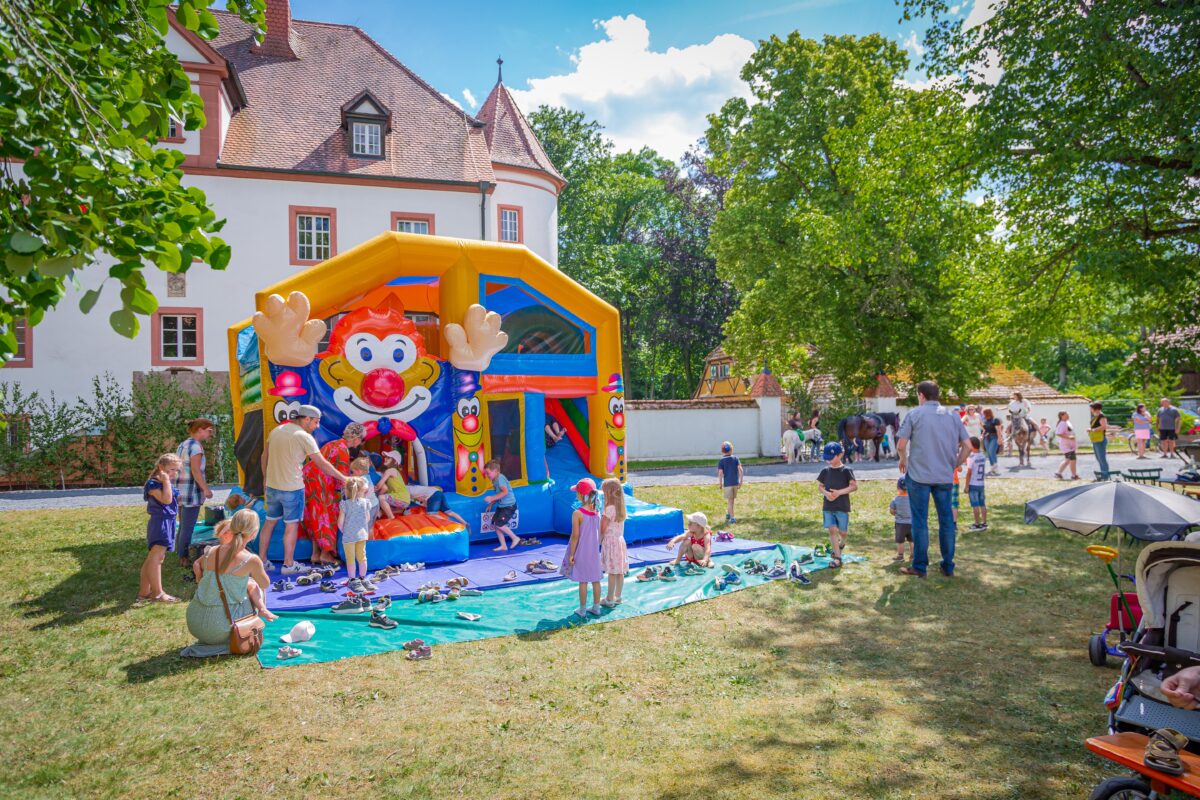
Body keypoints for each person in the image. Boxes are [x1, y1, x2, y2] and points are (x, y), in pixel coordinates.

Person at [258, 405, 349, 575]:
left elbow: (264, 456)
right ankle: (289, 564)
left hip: (272, 486)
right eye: (315, 422)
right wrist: (344, 478)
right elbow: (322, 464)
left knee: (269, 523)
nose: (317, 426)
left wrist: (265, 478)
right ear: (306, 419)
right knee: (291, 526)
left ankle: (261, 560)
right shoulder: (304, 437)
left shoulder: (277, 430)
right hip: (292, 488)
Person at [896, 380, 971, 579]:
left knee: (920, 521)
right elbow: (968, 446)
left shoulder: (914, 414)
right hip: (944, 476)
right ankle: (948, 565)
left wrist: (903, 460)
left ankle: (920, 566)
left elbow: (901, 445)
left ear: (921, 395)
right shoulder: (953, 416)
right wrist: (955, 464)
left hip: (919, 475)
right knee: (946, 520)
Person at [181, 509, 274, 658]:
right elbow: (265, 583)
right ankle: (259, 614)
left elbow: (199, 567)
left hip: (195, 622)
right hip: (222, 628)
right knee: (255, 586)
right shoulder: (251, 560)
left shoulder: (211, 551)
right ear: (253, 534)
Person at [301, 422, 364, 565]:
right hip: (321, 484)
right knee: (328, 515)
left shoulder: (333, 443)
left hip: (308, 481)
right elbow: (342, 479)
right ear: (357, 438)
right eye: (362, 439)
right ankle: (326, 554)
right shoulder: (343, 450)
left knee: (314, 515)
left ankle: (315, 554)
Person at [139, 453, 182, 604]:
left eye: (177, 470)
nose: (174, 474)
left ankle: (144, 592)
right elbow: (167, 499)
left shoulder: (165, 483)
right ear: (161, 468)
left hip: (168, 522)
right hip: (160, 523)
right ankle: (157, 593)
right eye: (171, 470)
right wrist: (166, 481)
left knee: (154, 557)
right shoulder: (154, 484)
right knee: (157, 559)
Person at [175, 418, 215, 568]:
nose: (210, 434)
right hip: (192, 493)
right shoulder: (196, 448)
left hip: (180, 491)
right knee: (188, 527)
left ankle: (180, 553)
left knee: (183, 525)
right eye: (209, 431)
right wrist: (206, 489)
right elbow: (196, 471)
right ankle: (184, 557)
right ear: (200, 430)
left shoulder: (183, 445)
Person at [563, 478, 603, 618]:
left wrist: (572, 554)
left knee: (583, 581)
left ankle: (582, 609)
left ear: (580, 494)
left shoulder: (577, 513)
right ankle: (597, 607)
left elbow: (575, 536)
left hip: (581, 552)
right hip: (594, 553)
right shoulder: (597, 512)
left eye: (577, 492)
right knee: (596, 580)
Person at [817, 442, 856, 568]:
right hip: (828, 506)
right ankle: (838, 558)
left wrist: (839, 492)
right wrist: (825, 493)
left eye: (831, 458)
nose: (828, 461)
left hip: (842, 506)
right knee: (832, 530)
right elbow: (820, 486)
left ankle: (842, 542)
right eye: (826, 458)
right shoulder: (825, 471)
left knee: (842, 532)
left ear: (840, 455)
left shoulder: (846, 471)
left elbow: (854, 486)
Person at [339, 476, 375, 594]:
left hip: (349, 536)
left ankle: (353, 580)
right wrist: (361, 528)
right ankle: (363, 578)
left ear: (347, 490)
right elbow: (367, 519)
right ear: (361, 491)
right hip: (362, 535)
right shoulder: (365, 503)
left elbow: (340, 522)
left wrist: (345, 531)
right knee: (362, 557)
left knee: (350, 559)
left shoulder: (345, 504)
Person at [599, 478, 628, 607]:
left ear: (609, 493)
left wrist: (598, 539)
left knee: (612, 571)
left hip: (611, 542)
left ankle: (609, 599)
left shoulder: (609, 509)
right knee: (619, 571)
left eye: (605, 492)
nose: (604, 495)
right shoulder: (620, 507)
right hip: (619, 541)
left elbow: (603, 527)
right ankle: (618, 596)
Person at [483, 459, 520, 551]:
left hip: (509, 506)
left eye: (488, 473)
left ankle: (515, 538)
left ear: (495, 471)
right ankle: (503, 545)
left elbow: (505, 492)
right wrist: (491, 504)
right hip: (502, 505)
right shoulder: (495, 480)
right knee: (496, 524)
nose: (487, 476)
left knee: (500, 524)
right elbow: (498, 494)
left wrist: (491, 498)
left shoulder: (500, 479)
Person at [375, 449, 412, 517]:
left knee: (381, 498)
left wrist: (375, 490)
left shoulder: (390, 470)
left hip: (401, 498)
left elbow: (380, 485)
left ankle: (391, 517)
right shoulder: (393, 471)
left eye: (388, 458)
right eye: (385, 457)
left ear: (395, 462)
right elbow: (385, 487)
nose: (385, 459)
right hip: (405, 500)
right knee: (382, 509)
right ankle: (403, 510)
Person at [349, 457, 381, 530]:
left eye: (353, 472)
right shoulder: (367, 476)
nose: (352, 474)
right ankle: (371, 540)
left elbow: (365, 487)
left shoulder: (362, 479)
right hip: (375, 504)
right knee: (370, 526)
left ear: (359, 471)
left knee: (366, 527)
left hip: (370, 507)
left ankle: (367, 541)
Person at [964, 436, 989, 531]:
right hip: (981, 484)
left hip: (973, 484)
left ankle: (977, 524)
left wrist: (966, 486)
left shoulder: (971, 458)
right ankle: (984, 522)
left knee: (975, 505)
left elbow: (969, 473)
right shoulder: (982, 456)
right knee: (982, 504)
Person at [717, 441, 744, 524]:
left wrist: (720, 483)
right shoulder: (735, 458)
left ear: (722, 451)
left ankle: (730, 515)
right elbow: (740, 470)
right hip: (735, 483)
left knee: (730, 501)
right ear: (731, 450)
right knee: (731, 501)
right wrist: (741, 481)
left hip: (727, 484)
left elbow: (720, 473)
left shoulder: (721, 460)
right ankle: (731, 516)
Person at [889, 478, 912, 562]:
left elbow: (891, 510)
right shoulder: (912, 498)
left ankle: (900, 556)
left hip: (900, 524)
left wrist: (895, 513)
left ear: (898, 488)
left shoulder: (895, 500)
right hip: (912, 523)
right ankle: (913, 555)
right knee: (912, 540)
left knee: (900, 541)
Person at [1054, 411, 1080, 479]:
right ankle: (1072, 475)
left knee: (1069, 460)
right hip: (1066, 445)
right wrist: (1069, 437)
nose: (1068, 415)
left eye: (1068, 414)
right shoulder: (1062, 423)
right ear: (1062, 416)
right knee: (1071, 460)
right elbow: (1058, 433)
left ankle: (1060, 473)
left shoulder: (1067, 422)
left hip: (1070, 445)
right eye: (1066, 415)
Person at [1089, 401, 1111, 479]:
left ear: (1094, 408)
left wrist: (1093, 430)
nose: (1090, 409)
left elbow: (1104, 426)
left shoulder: (1101, 416)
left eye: (1091, 408)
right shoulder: (1095, 416)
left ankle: (1105, 475)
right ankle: (1103, 473)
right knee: (1098, 458)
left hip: (1100, 439)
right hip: (1095, 439)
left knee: (1102, 458)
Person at [981, 408, 1002, 475]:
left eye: (983, 413)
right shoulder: (984, 420)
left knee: (991, 451)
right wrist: (982, 435)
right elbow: (985, 430)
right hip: (986, 438)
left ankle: (996, 468)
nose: (982, 414)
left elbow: (998, 430)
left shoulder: (995, 420)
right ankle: (992, 469)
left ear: (987, 413)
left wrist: (999, 438)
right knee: (988, 453)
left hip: (994, 437)